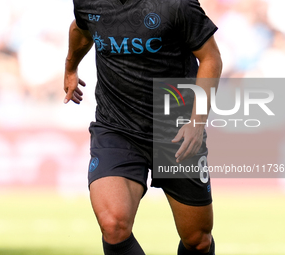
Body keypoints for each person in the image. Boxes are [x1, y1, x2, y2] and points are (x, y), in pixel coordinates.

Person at [64, 0, 222, 254]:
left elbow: (211, 58)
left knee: (198, 240)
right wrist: (71, 67)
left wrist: (197, 121)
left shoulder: (176, 4)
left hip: (175, 129)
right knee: (113, 225)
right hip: (116, 127)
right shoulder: (87, 2)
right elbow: (82, 28)